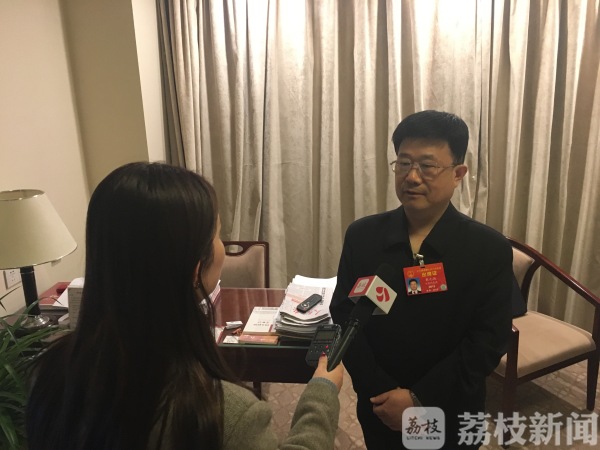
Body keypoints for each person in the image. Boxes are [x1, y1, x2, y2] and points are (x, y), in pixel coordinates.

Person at [26, 162, 344, 450]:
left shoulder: (47, 374)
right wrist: (322, 391)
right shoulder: (222, 414)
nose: (222, 245)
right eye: (217, 234)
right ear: (195, 271)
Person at [330, 110, 513, 449]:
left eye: (427, 166)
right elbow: (344, 315)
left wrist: (419, 398)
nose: (412, 177)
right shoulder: (363, 236)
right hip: (380, 404)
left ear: (458, 174)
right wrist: (380, 390)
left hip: (451, 407)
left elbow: (489, 339)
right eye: (404, 163)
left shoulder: (489, 249)